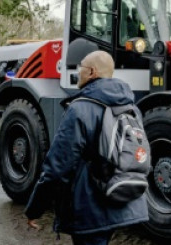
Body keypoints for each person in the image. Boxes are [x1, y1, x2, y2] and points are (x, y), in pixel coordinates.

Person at [24, 51, 149, 244]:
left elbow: (57, 167)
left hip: (90, 206)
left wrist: (35, 209)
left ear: (91, 72)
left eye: (80, 67)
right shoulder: (131, 107)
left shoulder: (80, 108)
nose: (77, 71)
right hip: (120, 198)